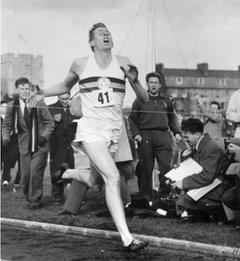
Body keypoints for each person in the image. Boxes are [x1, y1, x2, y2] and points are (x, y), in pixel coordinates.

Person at [27, 23, 149, 252]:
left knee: (95, 183)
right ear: (92, 42)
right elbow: (65, 85)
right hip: (91, 130)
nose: (106, 35)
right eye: (100, 33)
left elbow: (143, 98)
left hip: (114, 131)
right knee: (112, 176)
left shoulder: (122, 61)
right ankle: (128, 239)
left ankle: (68, 173)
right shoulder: (81, 63)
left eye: (109, 33)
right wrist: (41, 92)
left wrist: (135, 80)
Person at [128, 72, 182, 206]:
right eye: (151, 82)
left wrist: (177, 132)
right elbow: (132, 119)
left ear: (159, 85)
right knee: (146, 168)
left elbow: (172, 117)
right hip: (145, 136)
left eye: (156, 82)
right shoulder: (140, 100)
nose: (153, 85)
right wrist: (136, 134)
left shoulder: (166, 100)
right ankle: (146, 197)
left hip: (163, 136)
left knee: (166, 167)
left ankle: (164, 197)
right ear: (147, 84)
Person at [2, 78, 54, 209]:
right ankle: (30, 199)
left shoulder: (38, 102)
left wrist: (44, 136)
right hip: (24, 145)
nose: (24, 91)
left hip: (40, 145)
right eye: (21, 89)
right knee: (25, 176)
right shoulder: (11, 106)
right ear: (17, 90)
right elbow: (7, 125)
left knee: (35, 170)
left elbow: (49, 123)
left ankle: (36, 200)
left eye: (26, 89)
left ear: (30, 89)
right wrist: (5, 137)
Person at [173, 118, 225, 222]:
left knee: (182, 202)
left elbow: (207, 175)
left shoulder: (210, 147)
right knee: (180, 201)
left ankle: (216, 211)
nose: (185, 140)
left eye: (187, 137)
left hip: (216, 187)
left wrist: (183, 183)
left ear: (197, 135)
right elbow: (191, 166)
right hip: (208, 184)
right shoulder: (201, 145)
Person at [48, 92, 77, 205]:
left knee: (73, 170)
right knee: (56, 170)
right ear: (57, 96)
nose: (65, 101)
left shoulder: (75, 108)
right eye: (62, 99)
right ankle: (57, 197)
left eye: (67, 98)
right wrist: (54, 121)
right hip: (57, 144)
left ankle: (73, 197)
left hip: (72, 144)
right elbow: (46, 127)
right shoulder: (51, 108)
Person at [1, 100, 21, 188]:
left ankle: (16, 180)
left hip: (12, 143)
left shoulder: (13, 117)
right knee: (6, 161)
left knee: (13, 160)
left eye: (7, 107)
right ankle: (5, 178)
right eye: (3, 107)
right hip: (2, 145)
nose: (5, 109)